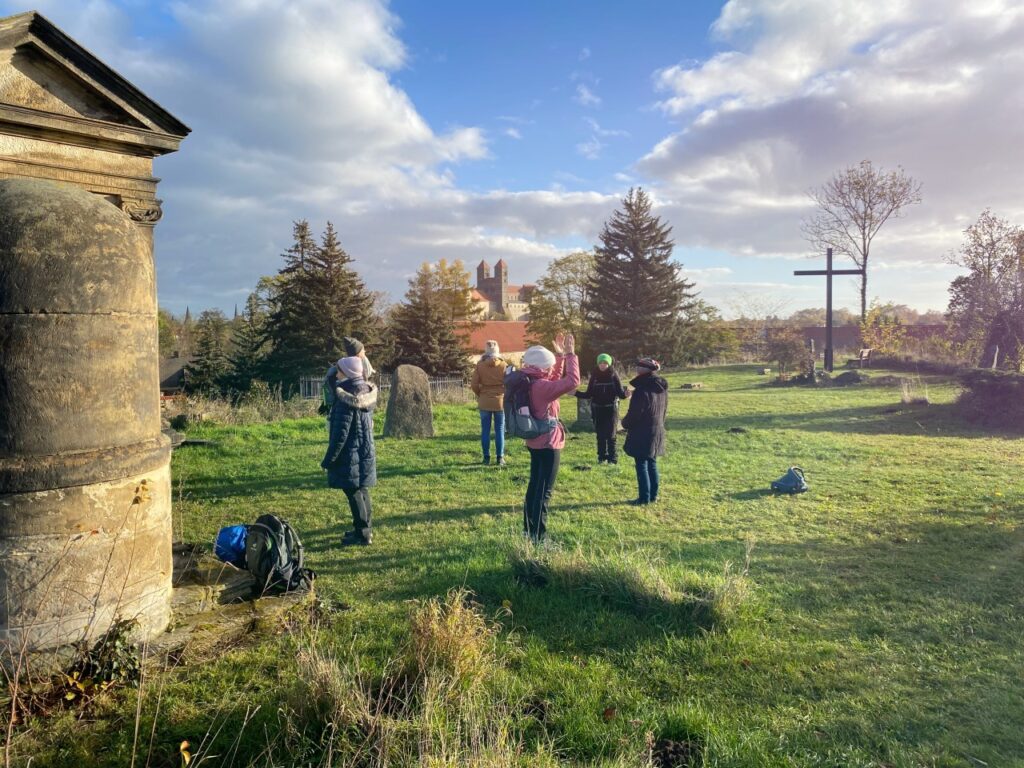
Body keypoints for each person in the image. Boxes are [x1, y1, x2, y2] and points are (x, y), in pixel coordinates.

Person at [520, 333, 580, 543]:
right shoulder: (541, 387)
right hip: (548, 443)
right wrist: (571, 355)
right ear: (543, 366)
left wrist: (559, 356)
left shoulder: (529, 380)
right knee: (543, 492)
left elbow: (552, 379)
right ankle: (539, 537)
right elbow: (572, 381)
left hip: (534, 441)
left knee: (534, 486)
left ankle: (528, 530)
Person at [321, 356, 378, 545]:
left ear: (347, 373)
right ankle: (364, 529)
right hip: (364, 449)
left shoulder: (345, 398)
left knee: (353, 492)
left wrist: (329, 459)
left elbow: (340, 435)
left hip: (349, 452)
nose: (336, 374)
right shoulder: (364, 391)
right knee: (361, 489)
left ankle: (362, 534)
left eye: (339, 370)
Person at [621, 358, 668, 506]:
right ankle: (653, 496)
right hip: (657, 428)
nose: (636, 368)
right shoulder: (661, 387)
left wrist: (624, 423)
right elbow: (664, 409)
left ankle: (643, 498)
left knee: (641, 463)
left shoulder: (642, 390)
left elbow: (635, 413)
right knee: (652, 462)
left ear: (644, 370)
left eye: (639, 366)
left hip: (642, 431)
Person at [575, 353, 628, 464]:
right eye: (601, 363)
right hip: (597, 409)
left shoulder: (614, 376)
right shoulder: (594, 377)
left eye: (605, 363)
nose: (603, 365)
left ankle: (612, 459)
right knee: (600, 435)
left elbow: (621, 394)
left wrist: (626, 394)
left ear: (609, 364)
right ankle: (601, 458)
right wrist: (576, 393)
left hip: (611, 409)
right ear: (598, 364)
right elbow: (589, 394)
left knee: (611, 435)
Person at [471, 339, 508, 465]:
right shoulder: (504, 365)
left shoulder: (480, 365)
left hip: (485, 400)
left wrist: (480, 394)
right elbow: (509, 383)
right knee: (500, 430)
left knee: (485, 430)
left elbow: (474, 384)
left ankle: (486, 457)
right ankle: (500, 458)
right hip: (500, 401)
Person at [322, 336, 374, 413]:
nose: (365, 351)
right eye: (363, 350)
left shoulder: (348, 367)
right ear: (358, 352)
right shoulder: (346, 370)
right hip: (347, 411)